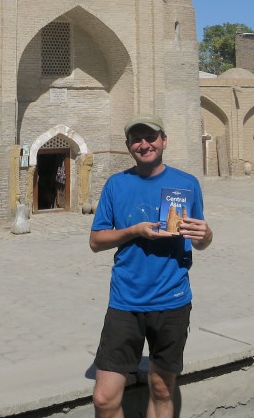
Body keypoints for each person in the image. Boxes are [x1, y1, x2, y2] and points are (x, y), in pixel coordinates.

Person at [90, 114, 213, 418]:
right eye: (136, 139)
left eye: (151, 137)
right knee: (104, 398)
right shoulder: (117, 185)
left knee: (160, 388)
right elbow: (96, 241)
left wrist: (206, 235)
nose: (144, 144)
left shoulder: (186, 184)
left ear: (164, 141)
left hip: (171, 300)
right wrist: (135, 231)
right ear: (128, 146)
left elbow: (199, 239)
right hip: (126, 301)